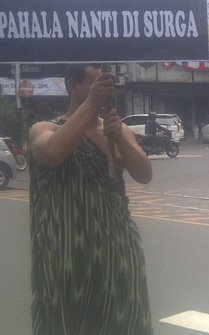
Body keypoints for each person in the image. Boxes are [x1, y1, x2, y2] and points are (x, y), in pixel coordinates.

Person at [28, 63, 154, 335]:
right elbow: (51, 154)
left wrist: (120, 136)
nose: (105, 89)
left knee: (124, 322)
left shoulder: (117, 130)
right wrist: (91, 105)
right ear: (73, 86)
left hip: (118, 252)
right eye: (97, 83)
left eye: (108, 83)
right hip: (67, 258)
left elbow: (144, 174)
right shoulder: (44, 129)